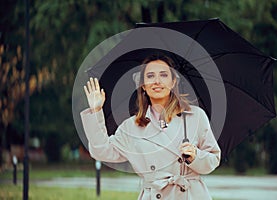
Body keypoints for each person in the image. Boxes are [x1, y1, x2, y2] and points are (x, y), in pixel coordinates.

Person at [81, 54, 221, 200]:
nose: (157, 81)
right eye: (150, 76)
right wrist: (96, 111)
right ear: (143, 85)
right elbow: (101, 151)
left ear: (173, 82)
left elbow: (213, 160)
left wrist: (195, 156)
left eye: (164, 75)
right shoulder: (132, 126)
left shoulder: (195, 116)